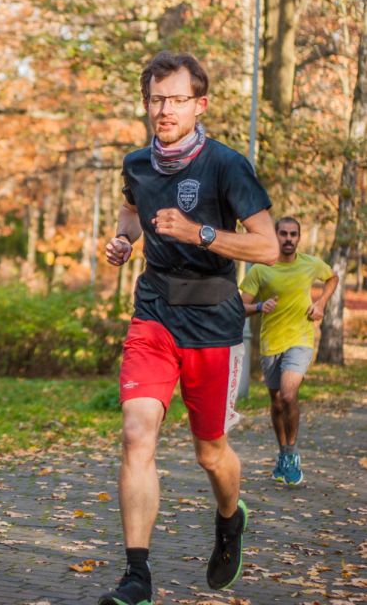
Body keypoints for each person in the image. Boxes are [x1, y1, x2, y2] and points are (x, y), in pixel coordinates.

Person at [100, 51, 278, 605]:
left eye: (176, 99)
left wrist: (200, 233)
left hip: (213, 322)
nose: (164, 110)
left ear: (200, 105)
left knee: (210, 453)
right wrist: (125, 239)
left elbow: (268, 247)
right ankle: (137, 575)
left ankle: (230, 518)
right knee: (136, 433)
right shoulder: (137, 163)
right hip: (154, 312)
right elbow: (133, 210)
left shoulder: (227, 165)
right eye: (156, 99)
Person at [239, 216, 338, 486]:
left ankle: (292, 454)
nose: (288, 239)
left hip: (301, 339)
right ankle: (283, 453)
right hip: (271, 342)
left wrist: (321, 303)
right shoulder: (261, 269)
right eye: (283, 234)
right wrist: (260, 307)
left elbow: (332, 277)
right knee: (276, 402)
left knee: (288, 394)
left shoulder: (310, 264)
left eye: (293, 234)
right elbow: (240, 306)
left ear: (299, 237)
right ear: (276, 236)